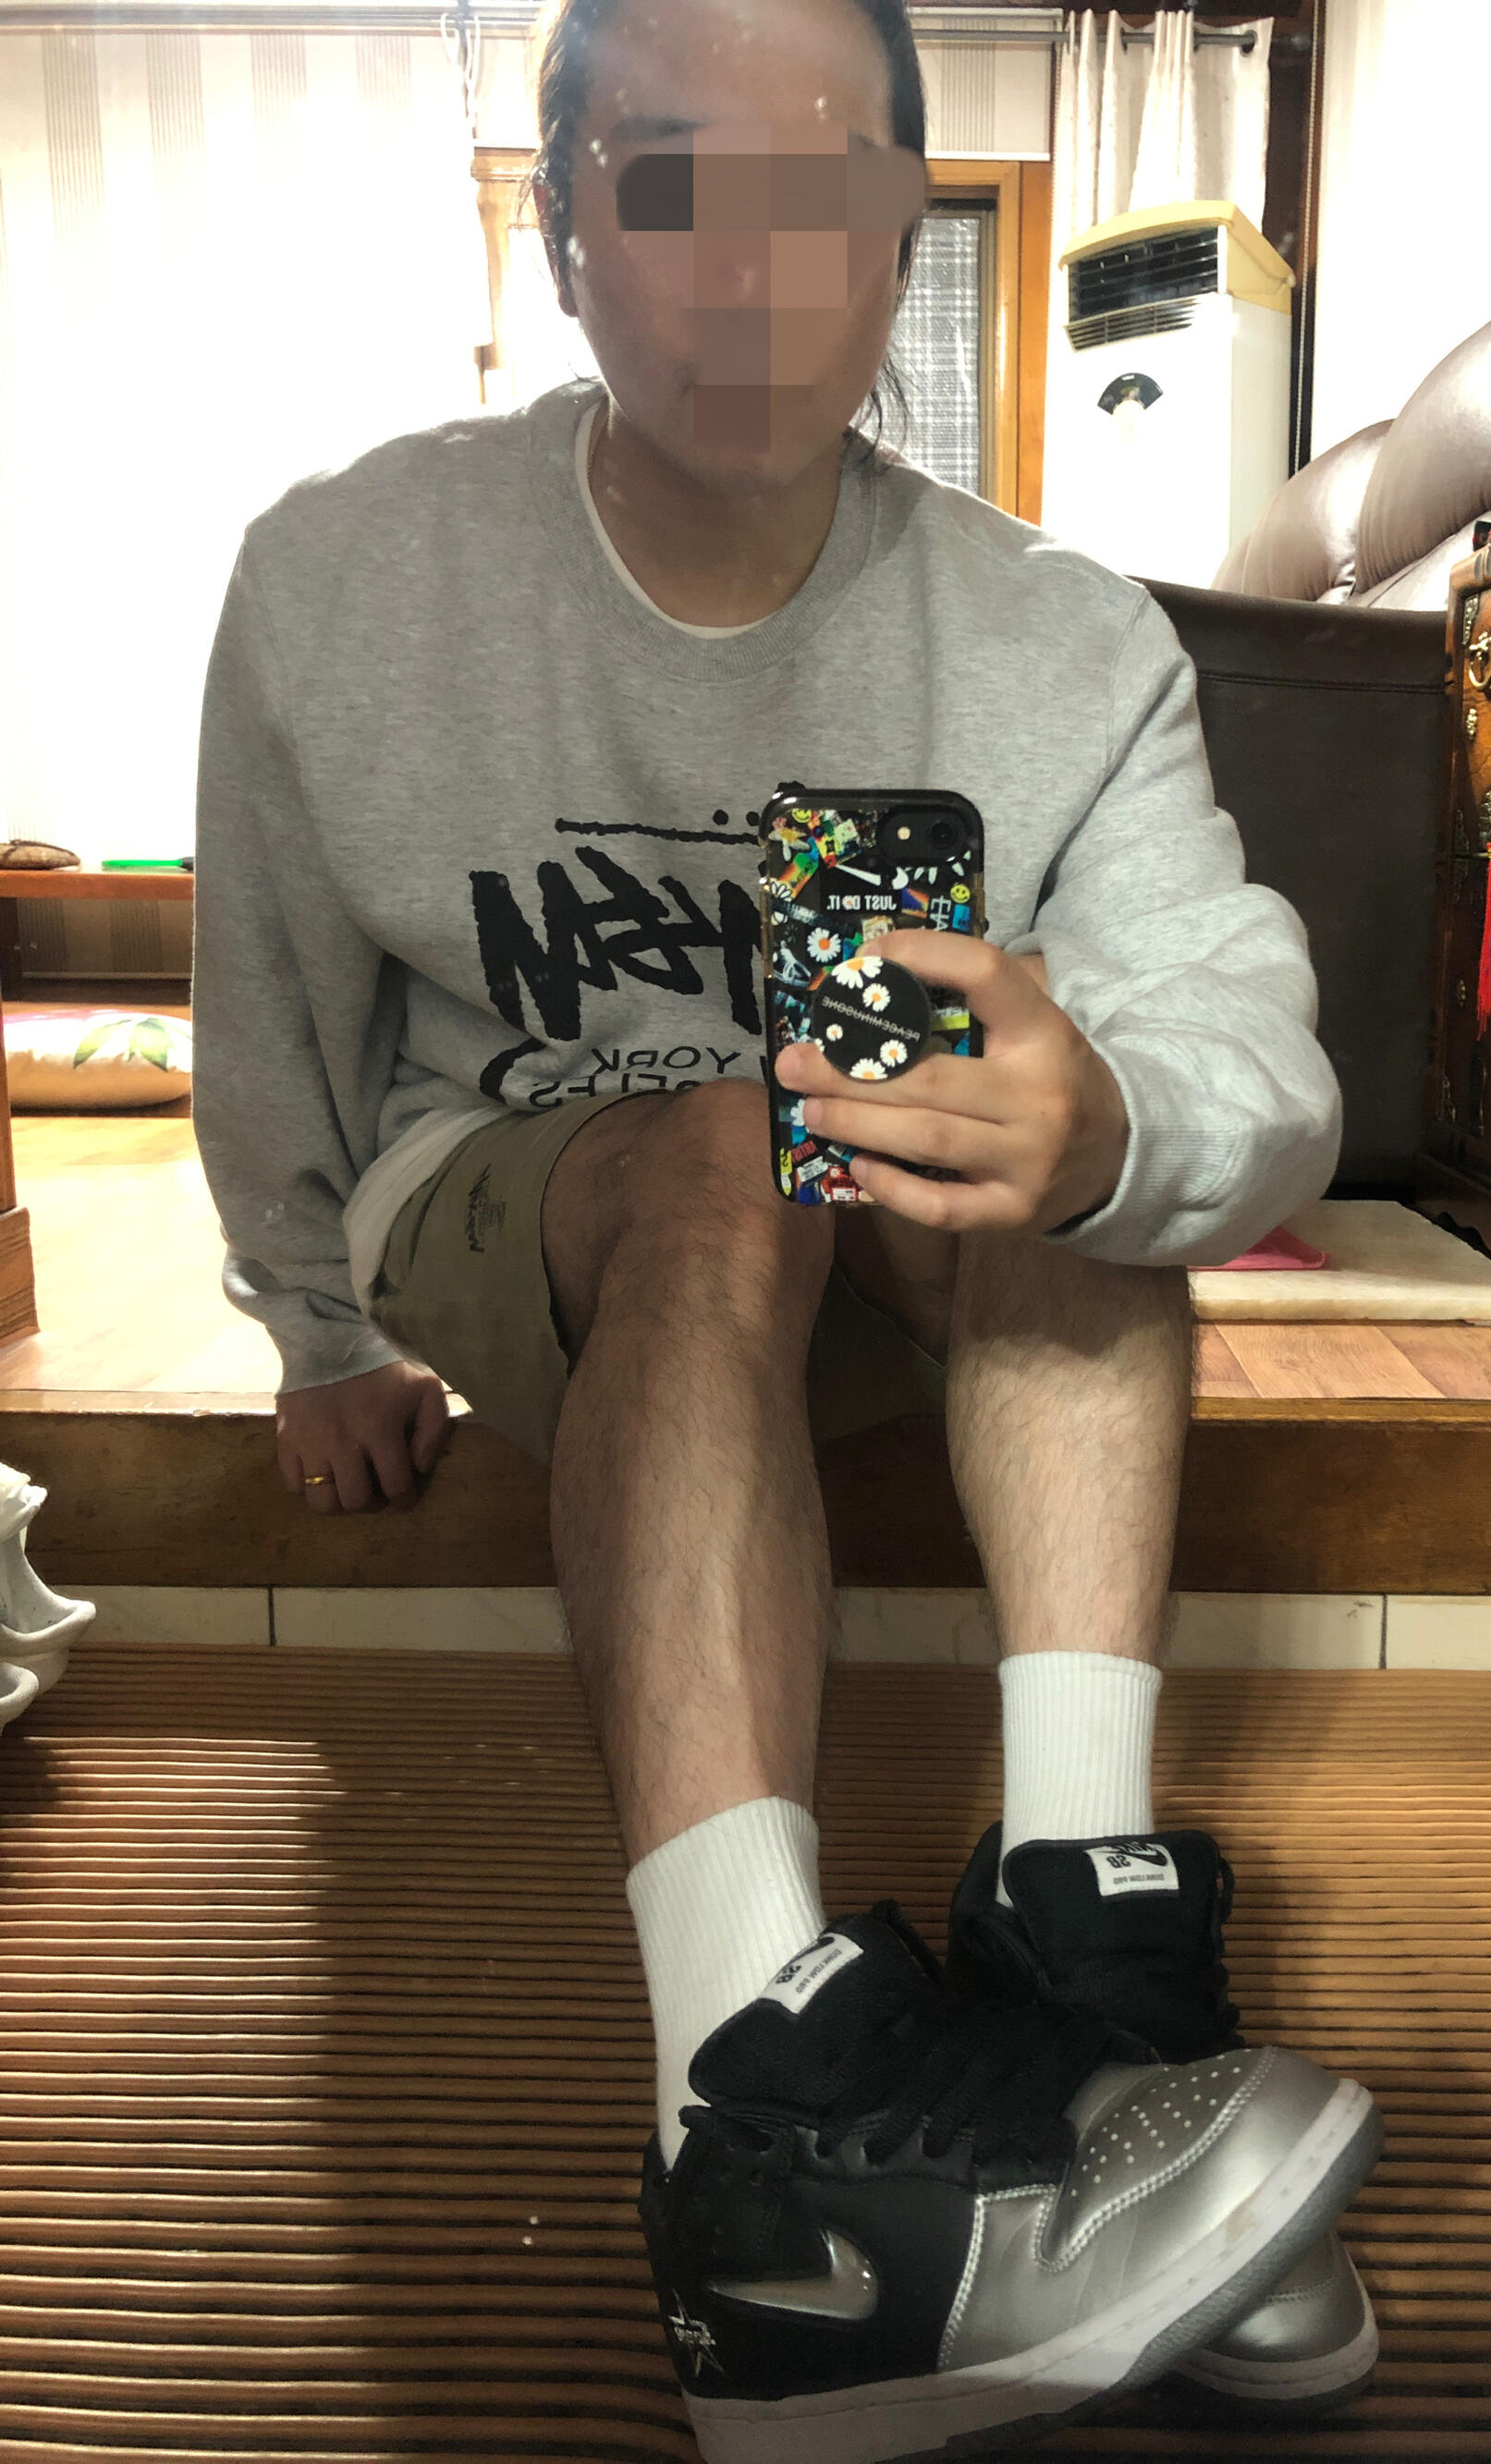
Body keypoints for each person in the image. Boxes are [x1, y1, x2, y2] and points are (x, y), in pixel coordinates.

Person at [191, 0, 1379, 2454]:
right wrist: (316, 1327)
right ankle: (751, 2096)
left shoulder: (1065, 640)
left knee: (1049, 1091)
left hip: (893, 1245)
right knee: (735, 1144)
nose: (748, 270)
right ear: (563, 231)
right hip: (528, 1190)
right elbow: (272, 1007)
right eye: (668, 185)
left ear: (902, 237)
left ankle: (1082, 1949)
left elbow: (1253, 1057)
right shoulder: (344, 583)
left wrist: (1107, 1117)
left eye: (820, 191)